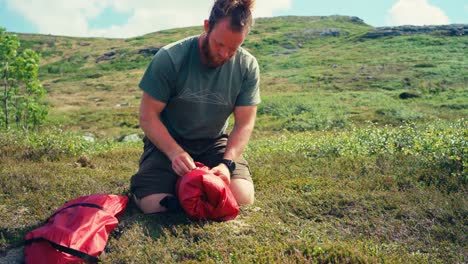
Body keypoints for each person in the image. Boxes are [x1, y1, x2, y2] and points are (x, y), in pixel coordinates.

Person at [130, 0, 260, 214]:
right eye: (219, 44)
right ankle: (155, 187)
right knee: (157, 207)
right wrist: (174, 153)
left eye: (233, 48)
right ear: (207, 26)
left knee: (243, 197)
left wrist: (226, 164)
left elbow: (245, 122)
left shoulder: (247, 65)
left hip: (213, 142)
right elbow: (147, 116)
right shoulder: (170, 58)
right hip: (167, 144)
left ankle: (191, 185)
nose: (224, 54)